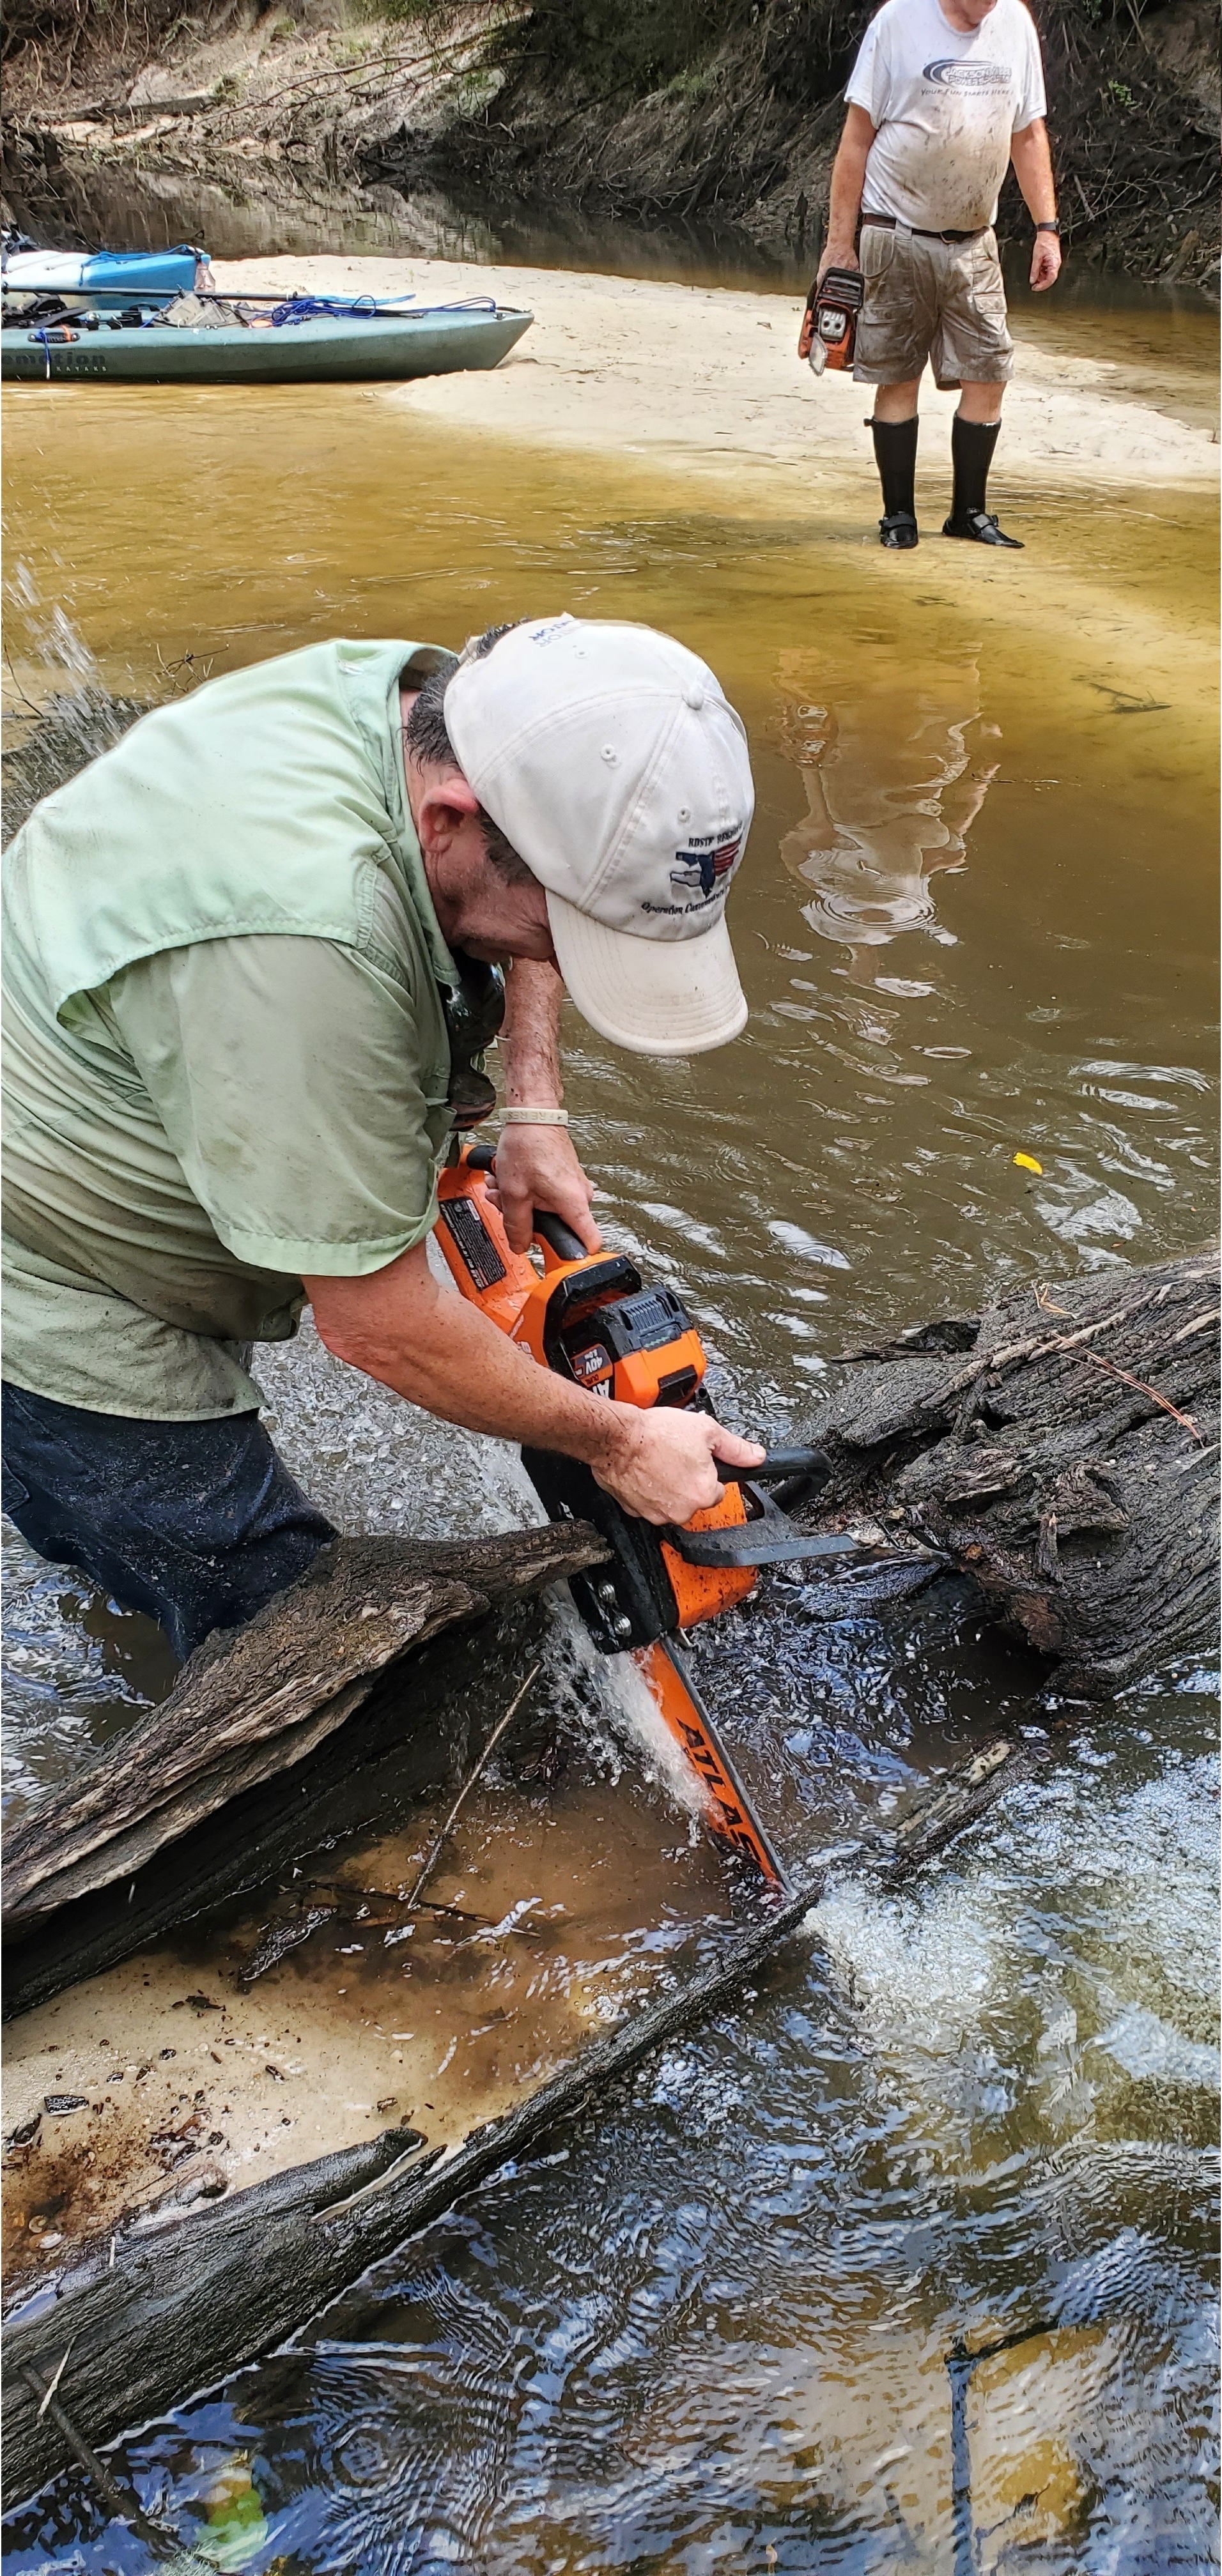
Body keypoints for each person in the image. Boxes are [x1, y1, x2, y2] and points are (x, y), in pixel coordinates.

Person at [2, 616, 764, 1660]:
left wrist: (534, 1104)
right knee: (284, 1625)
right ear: (452, 821)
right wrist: (620, 1437)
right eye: (573, 934)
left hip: (150, 1032)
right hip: (50, 1272)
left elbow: (556, 880)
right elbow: (378, 1327)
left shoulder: (465, 713)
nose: (571, 958)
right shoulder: (308, 948)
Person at [819, 0, 1062, 550]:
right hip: (896, 229)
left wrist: (1047, 227)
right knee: (898, 376)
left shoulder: (1015, 25)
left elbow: (1028, 134)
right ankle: (898, 516)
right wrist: (840, 245)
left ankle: (968, 514)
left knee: (989, 372)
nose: (991, 6)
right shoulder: (898, 22)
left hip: (975, 239)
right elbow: (855, 141)